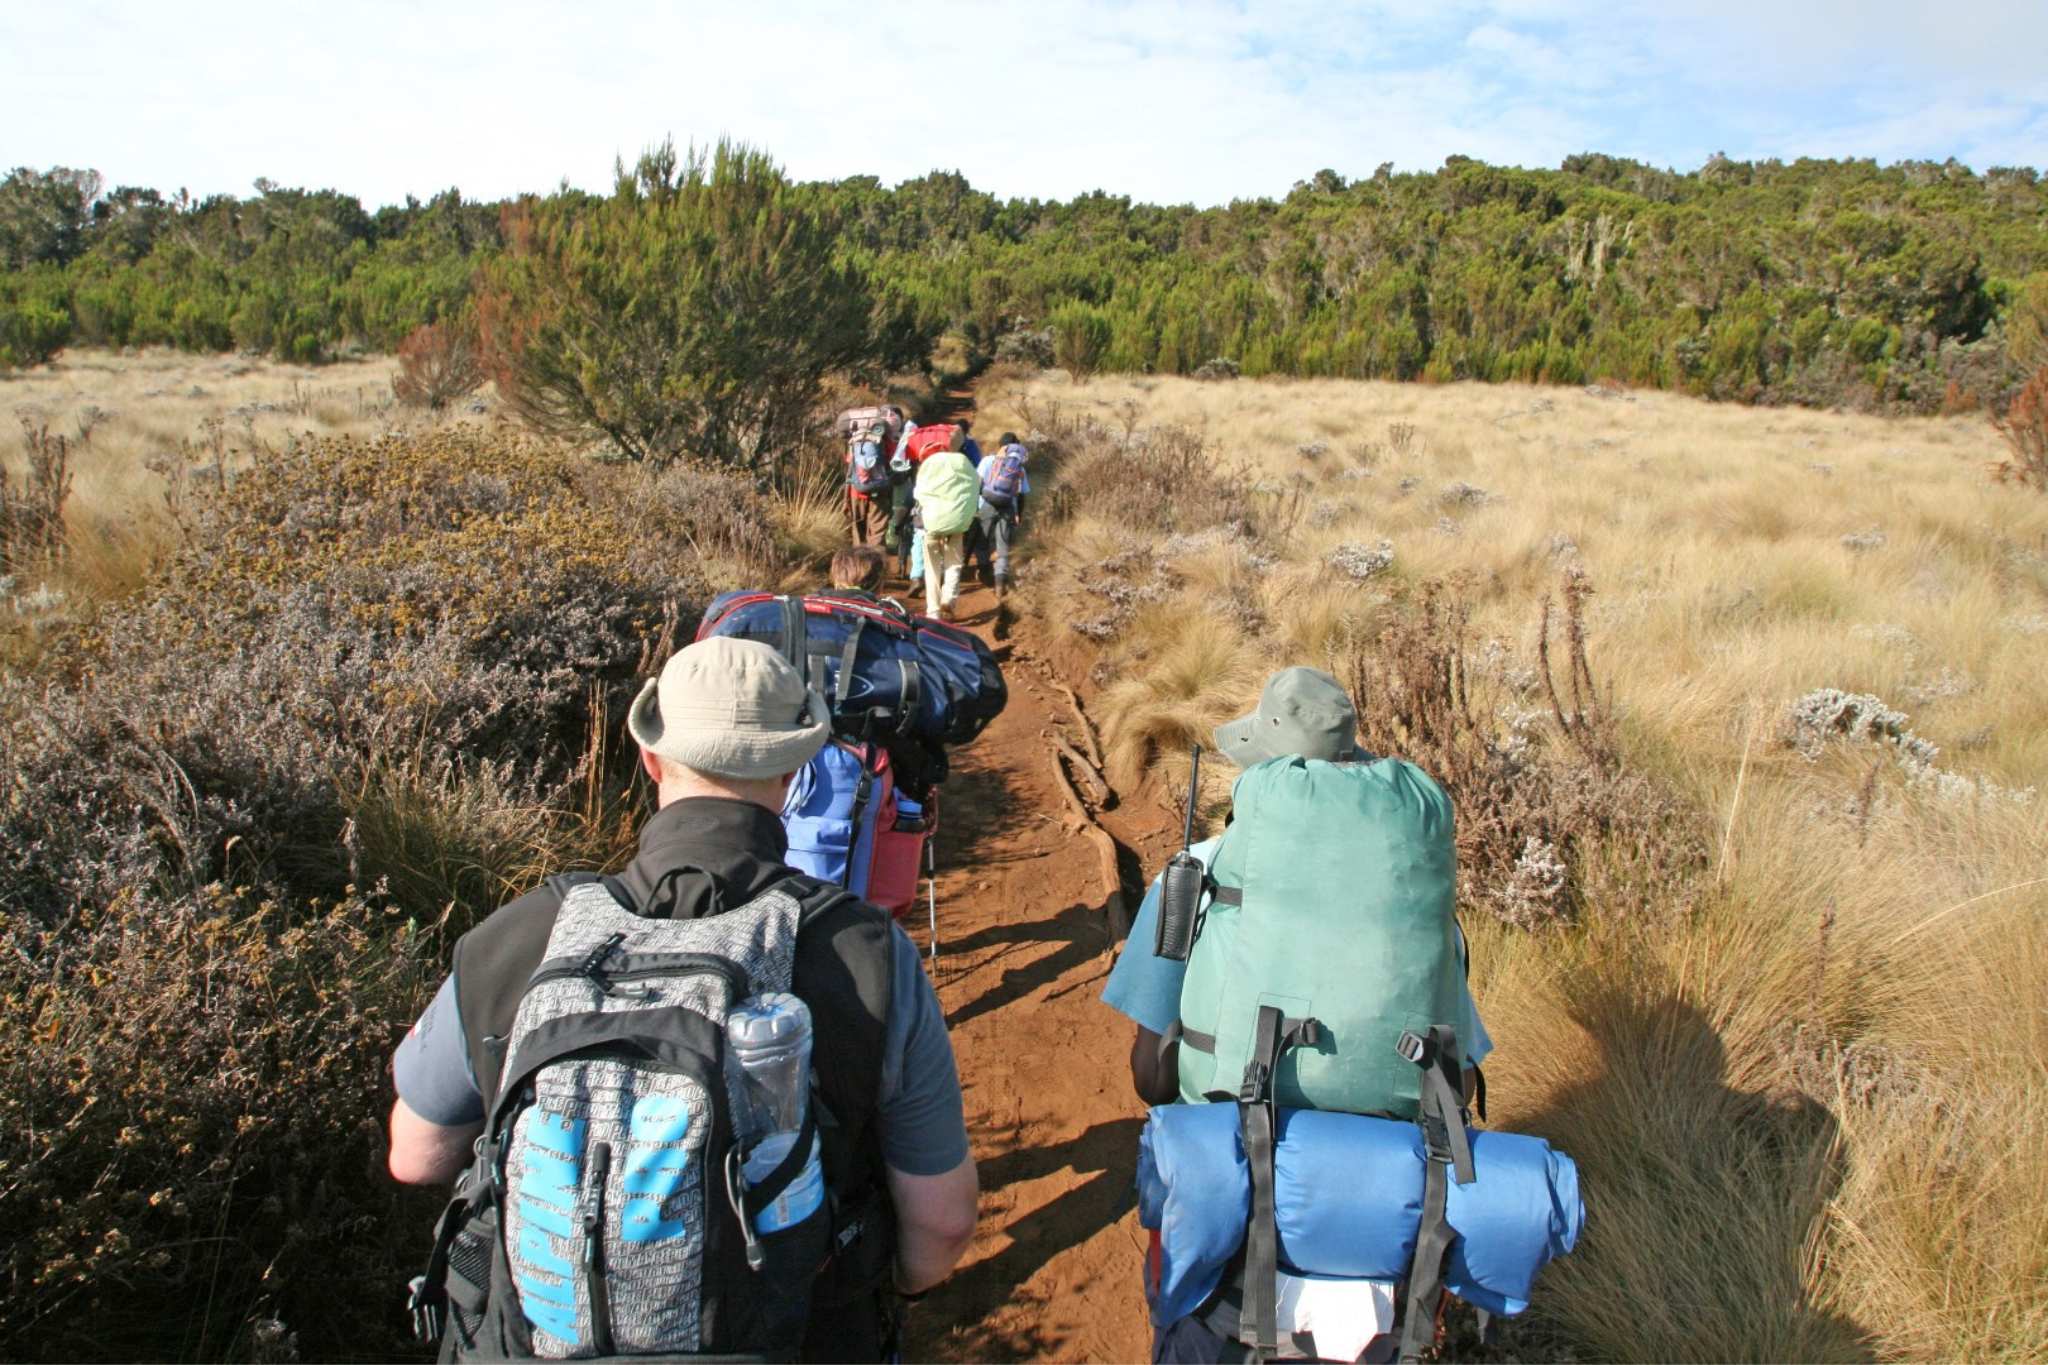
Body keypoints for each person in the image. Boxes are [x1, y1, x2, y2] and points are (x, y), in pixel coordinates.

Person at [389, 637, 978, 1360]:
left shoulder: (516, 940)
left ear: (650, 758)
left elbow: (415, 1154)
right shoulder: (868, 956)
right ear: (794, 769)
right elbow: (942, 1225)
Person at [1104, 666, 1491, 1107]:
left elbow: (1151, 1080)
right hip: (1390, 1155)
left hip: (1234, 1137)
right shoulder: (1415, 893)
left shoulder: (1199, 871)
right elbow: (1461, 1079)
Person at [912, 440, 979, 622]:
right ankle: (948, 597)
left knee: (932, 567)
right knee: (954, 562)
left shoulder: (927, 467)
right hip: (957, 522)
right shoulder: (961, 462)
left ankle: (933, 612)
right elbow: (975, 485)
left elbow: (917, 495)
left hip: (932, 523)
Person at [971, 433, 1030, 600]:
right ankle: (999, 583)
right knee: (1002, 545)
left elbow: (977, 483)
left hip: (986, 505)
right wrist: (1020, 514)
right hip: (1008, 507)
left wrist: (973, 507)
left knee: (982, 540)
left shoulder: (988, 461)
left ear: (1000, 445)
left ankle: (983, 570)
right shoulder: (1019, 467)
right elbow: (1022, 494)